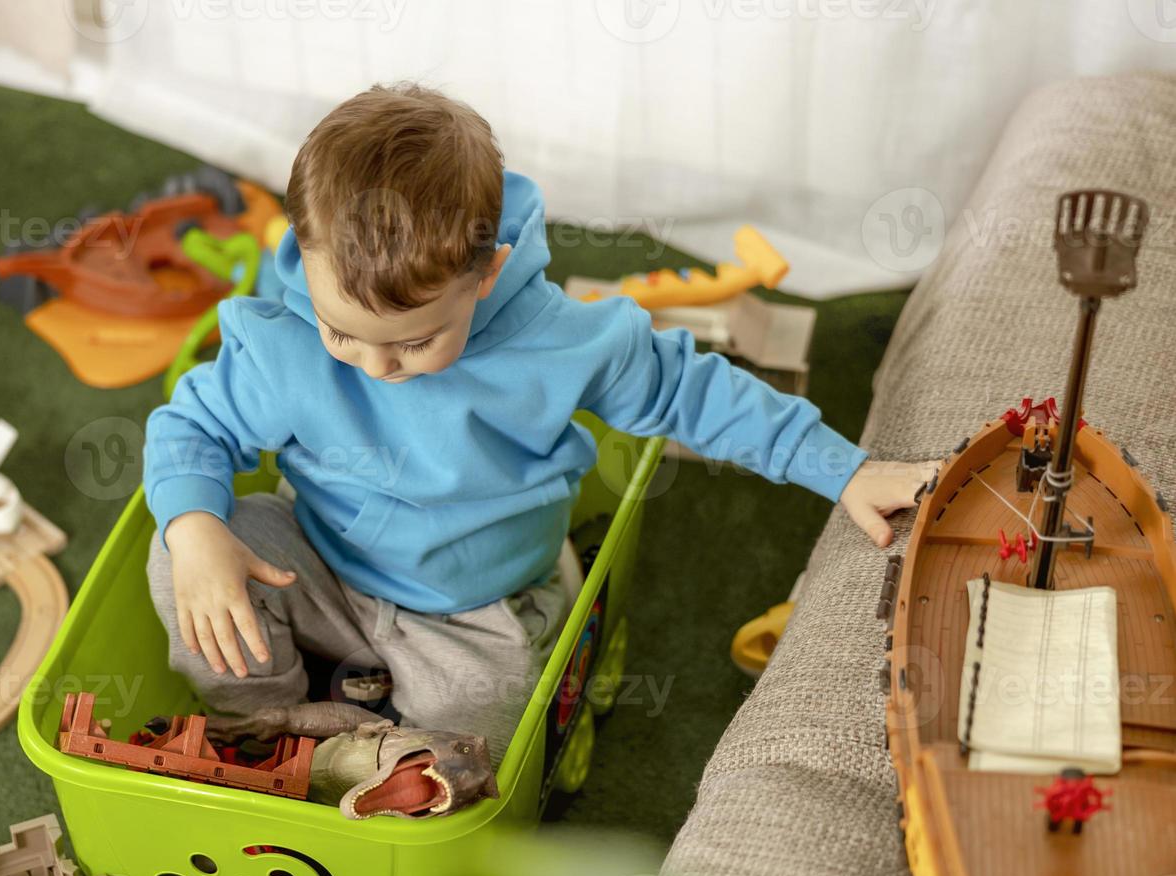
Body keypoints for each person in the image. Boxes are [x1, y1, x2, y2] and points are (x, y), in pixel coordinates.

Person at [145, 83, 933, 768]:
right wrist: (193, 531)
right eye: (340, 331)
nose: (374, 366)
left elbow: (697, 394)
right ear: (305, 259)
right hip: (323, 565)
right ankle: (266, 731)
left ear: (485, 275)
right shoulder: (283, 344)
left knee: (477, 728)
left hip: (475, 609)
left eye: (415, 341)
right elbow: (190, 430)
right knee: (183, 549)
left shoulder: (555, 342)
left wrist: (848, 470)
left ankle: (380, 733)